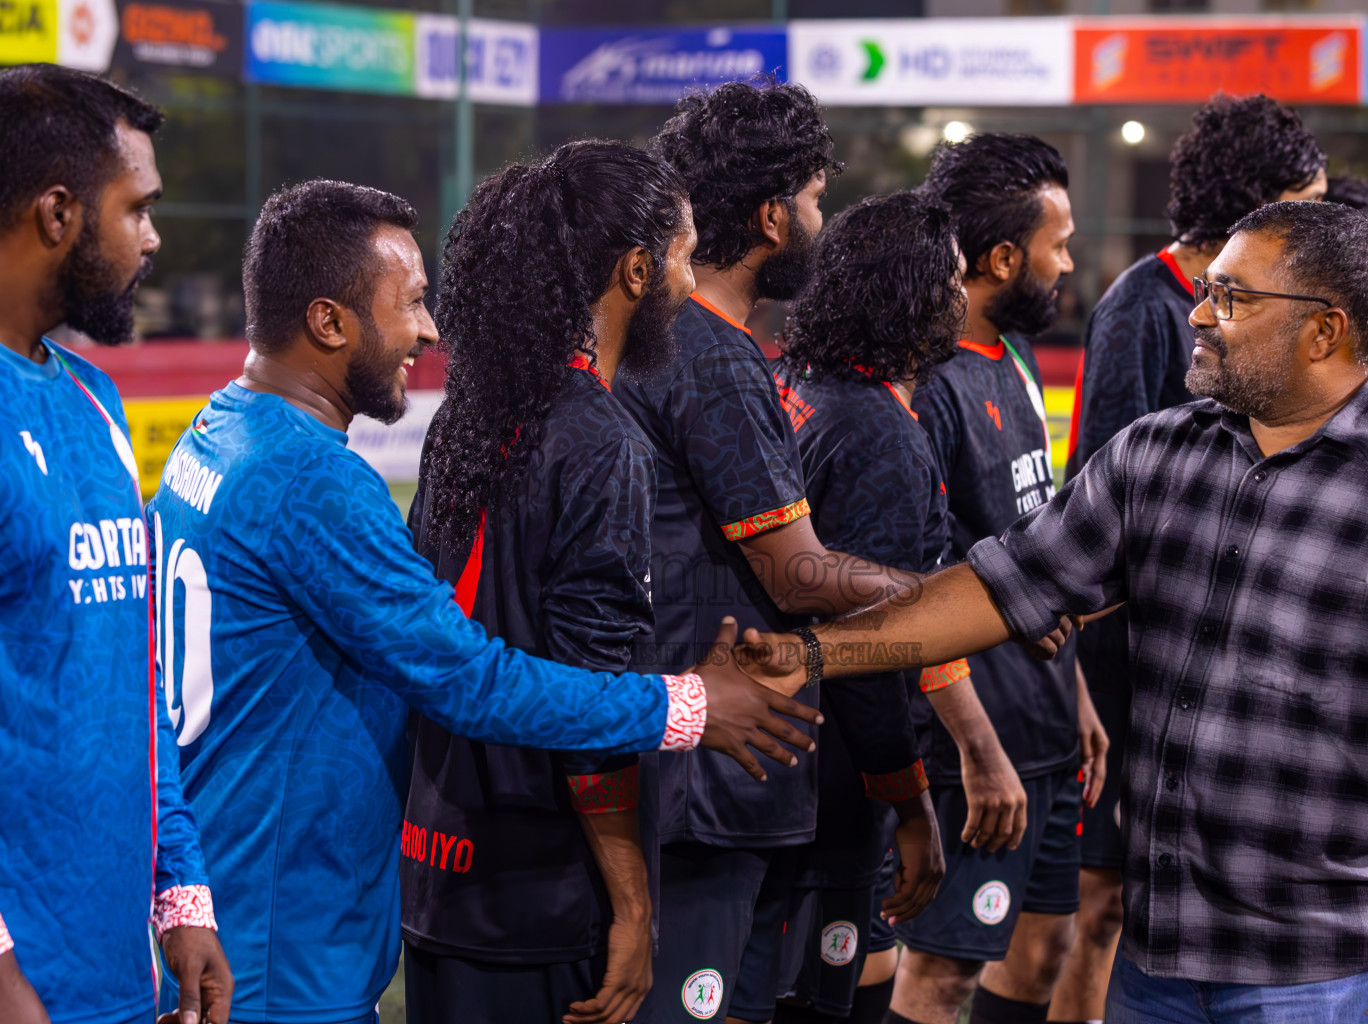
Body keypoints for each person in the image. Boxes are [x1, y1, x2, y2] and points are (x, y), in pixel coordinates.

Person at [741, 200, 1368, 1024]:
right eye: (1206, 290)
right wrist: (813, 656)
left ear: (1325, 331)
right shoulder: (1157, 455)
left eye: (1231, 297)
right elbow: (997, 587)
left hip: (1328, 972)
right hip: (1158, 965)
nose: (1198, 313)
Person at [146, 178, 820, 1024]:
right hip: (289, 940)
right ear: (329, 322)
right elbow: (471, 677)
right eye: (412, 304)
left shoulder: (217, 431)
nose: (428, 332)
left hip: (249, 882)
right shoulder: (312, 481)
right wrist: (685, 705)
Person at [623, 79, 994, 1024]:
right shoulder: (712, 354)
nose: (820, 220)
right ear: (770, 216)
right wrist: (981, 598)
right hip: (718, 762)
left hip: (686, 743)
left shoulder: (665, 340)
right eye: (817, 199)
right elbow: (800, 571)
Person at [399, 141, 699, 1024]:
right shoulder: (599, 440)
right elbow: (591, 693)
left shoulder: (473, 410)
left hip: (437, 865)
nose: (689, 284)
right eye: (683, 257)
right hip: (540, 891)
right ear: (636, 270)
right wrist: (635, 906)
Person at [1057, 93, 1325, 1024]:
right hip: (1143, 651)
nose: (1320, 224)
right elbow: (1101, 502)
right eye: (1307, 202)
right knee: (1105, 907)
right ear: (1259, 204)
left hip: (1230, 658)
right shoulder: (1145, 305)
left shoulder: (1284, 311)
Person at [0, 64, 231, 1024]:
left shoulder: (95, 401)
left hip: (119, 984)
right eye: (136, 208)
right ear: (59, 213)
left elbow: (135, 690)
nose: (153, 237)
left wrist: (179, 890)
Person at [896, 133, 1109, 1024]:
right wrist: (977, 751)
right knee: (944, 971)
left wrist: (1080, 697)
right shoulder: (928, 382)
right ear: (1002, 258)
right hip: (978, 745)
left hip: (1049, 721)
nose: (1069, 263)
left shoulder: (1014, 356)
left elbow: (1034, 547)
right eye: (1058, 245)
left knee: (1044, 946)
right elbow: (910, 593)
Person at [769, 190, 964, 1024]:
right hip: (831, 779)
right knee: (817, 1000)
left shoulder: (795, 380)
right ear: (917, 298)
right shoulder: (876, 427)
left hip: (772, 762)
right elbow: (867, 646)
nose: (963, 298)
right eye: (951, 280)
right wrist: (908, 798)